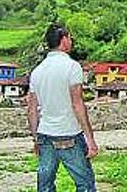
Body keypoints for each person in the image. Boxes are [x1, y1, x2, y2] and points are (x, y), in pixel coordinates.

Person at [27, 23, 99, 192]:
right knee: (85, 184)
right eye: (70, 37)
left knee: (45, 186)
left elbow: (31, 110)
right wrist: (90, 139)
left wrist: (36, 139)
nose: (71, 41)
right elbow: (77, 104)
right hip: (69, 134)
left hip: (45, 134)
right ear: (64, 40)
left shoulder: (37, 71)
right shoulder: (72, 67)